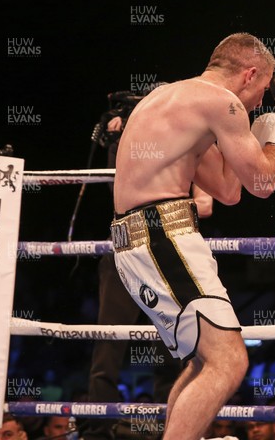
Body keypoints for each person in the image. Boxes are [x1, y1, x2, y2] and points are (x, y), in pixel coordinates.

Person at [111, 32, 275, 440]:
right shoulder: (219, 102)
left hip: (144, 241)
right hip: (160, 236)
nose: (260, 100)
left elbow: (228, 190)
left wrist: (260, 131)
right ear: (250, 73)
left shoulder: (174, 98)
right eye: (263, 88)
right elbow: (261, 183)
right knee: (229, 361)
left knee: (205, 361)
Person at [85, 94, 213, 440]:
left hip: (169, 249)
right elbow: (118, 192)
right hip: (125, 247)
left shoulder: (190, 151)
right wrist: (119, 138)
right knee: (108, 337)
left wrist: (161, 209)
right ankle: (98, 425)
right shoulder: (134, 149)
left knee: (173, 341)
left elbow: (206, 204)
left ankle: (170, 423)